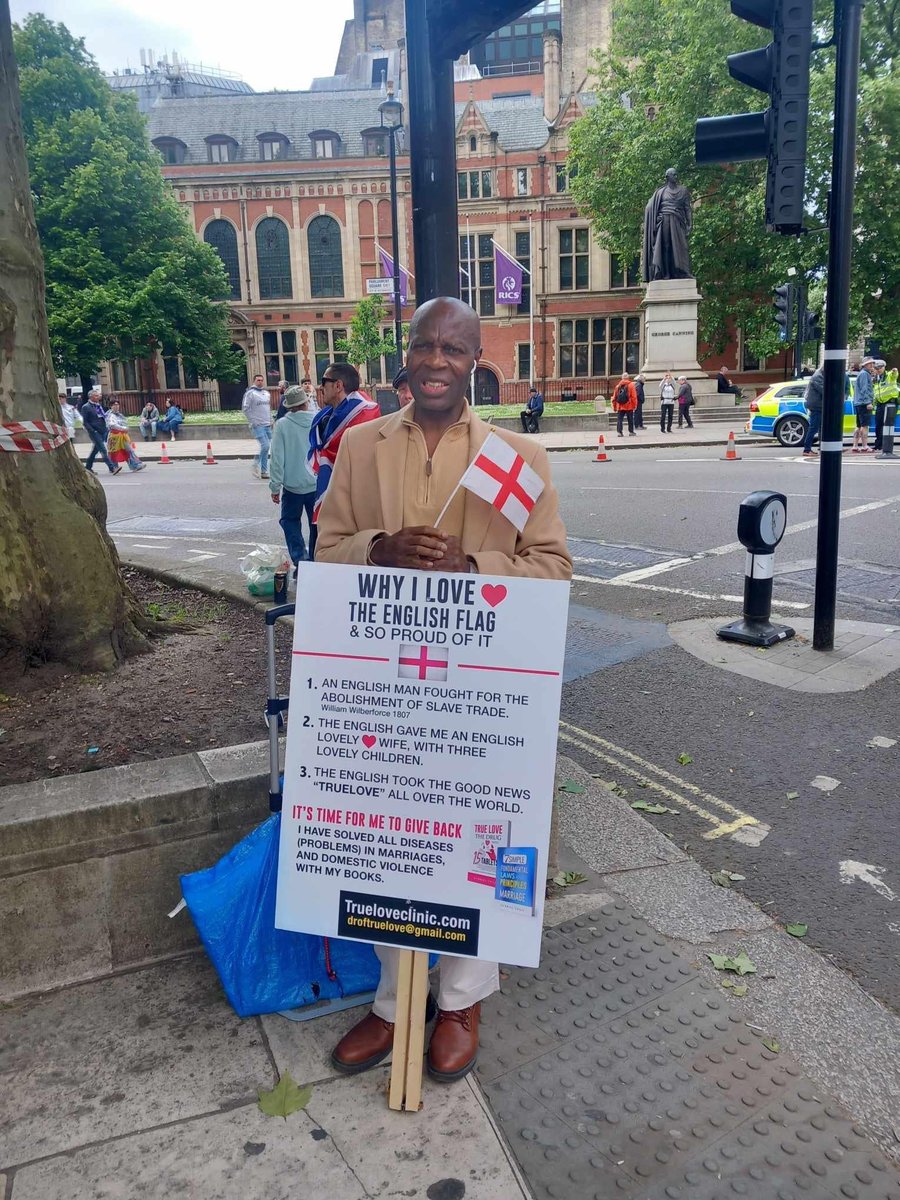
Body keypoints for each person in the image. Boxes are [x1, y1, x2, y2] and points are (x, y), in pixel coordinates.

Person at [316, 296, 572, 1083]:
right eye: (424, 345)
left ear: (473, 360)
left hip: (479, 693)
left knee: (476, 843)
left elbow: (554, 566)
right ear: (406, 356)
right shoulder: (359, 448)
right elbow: (325, 549)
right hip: (382, 683)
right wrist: (379, 550)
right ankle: (395, 1002)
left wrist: (469, 567)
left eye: (453, 349)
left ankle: (460, 998)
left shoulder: (515, 457)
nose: (435, 360)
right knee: (388, 835)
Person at [307, 362, 380, 560]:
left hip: (351, 499)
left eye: (324, 382)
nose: (320, 387)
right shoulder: (324, 418)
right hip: (326, 492)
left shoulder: (365, 415)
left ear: (338, 385)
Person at [269, 385, 317, 574]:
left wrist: (275, 486)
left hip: (292, 486)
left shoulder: (282, 425)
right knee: (316, 524)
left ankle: (300, 558)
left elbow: (277, 459)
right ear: (306, 402)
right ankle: (314, 558)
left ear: (289, 406)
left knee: (290, 522)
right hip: (315, 483)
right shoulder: (317, 420)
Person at [642, 168, 693, 282]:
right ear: (667, 177)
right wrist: (655, 217)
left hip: (678, 221)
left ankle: (683, 271)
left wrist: (690, 224)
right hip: (664, 221)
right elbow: (649, 208)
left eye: (676, 174)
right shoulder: (660, 192)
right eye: (673, 175)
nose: (676, 176)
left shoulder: (683, 191)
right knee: (665, 246)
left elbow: (687, 209)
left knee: (682, 246)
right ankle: (666, 273)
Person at [79, 389, 121, 474]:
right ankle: (112, 468)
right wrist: (92, 430)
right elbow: (85, 422)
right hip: (94, 432)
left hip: (102, 430)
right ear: (91, 396)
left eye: (98, 395)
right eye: (96, 395)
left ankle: (88, 467)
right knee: (103, 449)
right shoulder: (86, 407)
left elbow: (102, 416)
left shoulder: (97, 405)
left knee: (95, 450)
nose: (98, 397)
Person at [242, 373, 274, 479]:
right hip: (258, 425)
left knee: (269, 447)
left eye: (261, 380)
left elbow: (267, 408)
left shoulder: (266, 393)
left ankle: (264, 471)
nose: (260, 382)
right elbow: (245, 408)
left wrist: (271, 420)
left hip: (267, 424)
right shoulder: (250, 393)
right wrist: (253, 421)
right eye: (258, 380)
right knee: (265, 445)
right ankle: (255, 464)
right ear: (254, 381)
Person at [105, 399, 146, 471]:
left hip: (122, 436)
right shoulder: (110, 415)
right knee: (114, 451)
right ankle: (113, 467)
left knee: (128, 450)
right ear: (111, 406)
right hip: (114, 436)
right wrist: (123, 428)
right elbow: (112, 425)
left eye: (117, 405)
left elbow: (124, 422)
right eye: (114, 405)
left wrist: (125, 428)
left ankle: (135, 465)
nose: (116, 406)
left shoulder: (119, 414)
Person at [873, 360, 899, 451]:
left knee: (887, 424)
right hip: (880, 404)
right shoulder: (877, 378)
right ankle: (878, 444)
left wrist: (895, 371)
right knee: (878, 424)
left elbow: (894, 375)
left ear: (884, 367)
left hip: (890, 403)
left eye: (880, 368)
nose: (878, 370)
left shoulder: (889, 375)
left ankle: (886, 446)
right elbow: (876, 392)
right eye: (876, 368)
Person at [852, 357, 877, 453]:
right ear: (865, 365)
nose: (872, 365)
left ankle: (855, 445)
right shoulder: (864, 374)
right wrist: (868, 402)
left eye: (872, 363)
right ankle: (865, 446)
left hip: (859, 403)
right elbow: (864, 389)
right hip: (864, 403)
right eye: (870, 363)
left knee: (858, 425)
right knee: (865, 426)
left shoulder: (863, 374)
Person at [801, 366, 825, 457]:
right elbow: (824, 390)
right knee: (813, 428)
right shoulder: (818, 377)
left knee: (819, 427)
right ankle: (807, 449)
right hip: (816, 406)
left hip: (818, 405)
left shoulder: (819, 375)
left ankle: (821, 447)